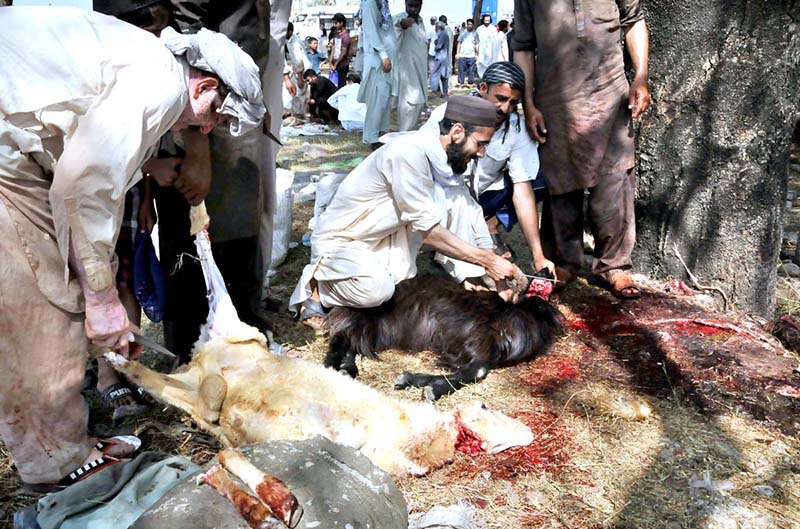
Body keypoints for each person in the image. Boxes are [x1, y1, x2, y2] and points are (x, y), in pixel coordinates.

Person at [0, 5, 264, 487]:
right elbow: (81, 187)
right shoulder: (160, 83)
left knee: (54, 288)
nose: (207, 130)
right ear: (204, 85)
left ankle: (50, 443)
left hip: (13, 147)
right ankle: (57, 460)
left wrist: (97, 284)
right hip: (6, 154)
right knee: (46, 303)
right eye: (215, 116)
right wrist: (102, 300)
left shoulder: (148, 67)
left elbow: (83, 172)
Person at [289, 96, 518, 329]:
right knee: (377, 291)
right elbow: (429, 232)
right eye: (480, 143)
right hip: (346, 240)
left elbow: (470, 212)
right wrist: (487, 261)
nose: (482, 153)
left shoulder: (445, 161)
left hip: (383, 238)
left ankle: (353, 285)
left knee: (455, 206)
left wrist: (495, 271)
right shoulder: (408, 154)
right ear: (457, 132)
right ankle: (319, 289)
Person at [513, 0, 651, 298]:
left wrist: (640, 76)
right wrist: (528, 104)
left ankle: (615, 266)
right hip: (554, 99)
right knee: (560, 183)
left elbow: (634, 20)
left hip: (610, 96)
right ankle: (563, 263)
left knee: (615, 180)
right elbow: (522, 46)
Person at [420, 62, 554, 280]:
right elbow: (425, 167)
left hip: (482, 198)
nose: (505, 109)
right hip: (442, 194)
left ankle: (489, 226)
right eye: (501, 98)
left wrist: (538, 256)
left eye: (514, 102)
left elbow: (522, 190)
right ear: (483, 88)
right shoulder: (449, 113)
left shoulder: (515, 128)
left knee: (538, 179)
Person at [357, 0, 398, 149]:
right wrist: (383, 54)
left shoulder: (382, 4)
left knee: (383, 101)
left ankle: (381, 135)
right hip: (378, 61)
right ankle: (373, 138)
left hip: (385, 62)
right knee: (376, 102)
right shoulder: (370, 3)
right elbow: (371, 31)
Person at [393, 0, 428, 131]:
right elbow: (396, 28)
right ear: (405, 5)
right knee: (409, 105)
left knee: (418, 104)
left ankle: (407, 135)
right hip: (407, 71)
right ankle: (403, 135)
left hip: (420, 71)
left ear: (421, 5)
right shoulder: (400, 19)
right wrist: (402, 25)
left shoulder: (420, 21)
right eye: (410, 6)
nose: (413, 9)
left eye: (416, 6)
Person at [329, 13, 352, 89]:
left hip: (342, 65)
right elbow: (333, 48)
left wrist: (336, 64)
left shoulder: (346, 36)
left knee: (341, 85)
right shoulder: (336, 34)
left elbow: (343, 52)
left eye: (336, 23)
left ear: (341, 23)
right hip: (334, 64)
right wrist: (330, 62)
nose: (335, 25)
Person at [430, 21, 450, 96]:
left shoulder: (442, 34)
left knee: (435, 73)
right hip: (444, 57)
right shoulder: (444, 34)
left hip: (440, 57)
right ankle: (443, 91)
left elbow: (439, 46)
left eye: (436, 28)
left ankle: (435, 90)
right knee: (443, 75)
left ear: (438, 28)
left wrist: (436, 46)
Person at [456, 18, 478, 86]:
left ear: (473, 25)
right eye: (468, 24)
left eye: (471, 24)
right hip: (463, 54)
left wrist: (477, 54)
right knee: (461, 70)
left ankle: (470, 82)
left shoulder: (475, 33)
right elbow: (459, 43)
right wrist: (457, 53)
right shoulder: (463, 33)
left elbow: (477, 44)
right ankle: (460, 82)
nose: (469, 26)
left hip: (471, 55)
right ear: (466, 25)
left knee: (471, 70)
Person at [475, 13, 498, 78]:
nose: (487, 22)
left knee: (490, 65)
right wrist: (476, 51)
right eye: (486, 20)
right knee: (480, 65)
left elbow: (496, 40)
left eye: (488, 20)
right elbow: (476, 40)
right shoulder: (479, 29)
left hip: (491, 51)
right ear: (483, 20)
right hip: (481, 51)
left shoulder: (493, 29)